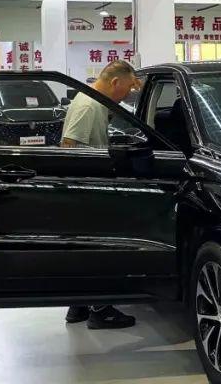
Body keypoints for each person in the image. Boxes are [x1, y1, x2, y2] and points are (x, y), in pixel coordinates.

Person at [60, 60, 141, 329]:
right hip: (87, 188)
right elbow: (69, 146)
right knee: (98, 250)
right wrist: (83, 189)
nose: (127, 95)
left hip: (87, 187)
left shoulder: (93, 102)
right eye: (127, 89)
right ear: (115, 82)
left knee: (86, 249)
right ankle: (101, 310)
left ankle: (79, 305)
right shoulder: (88, 105)